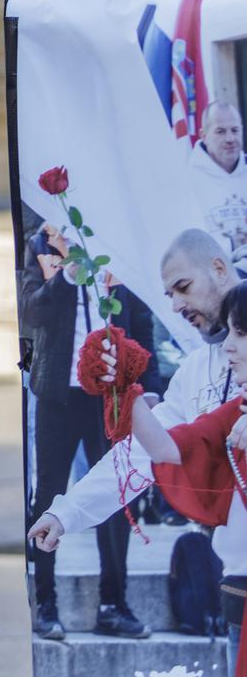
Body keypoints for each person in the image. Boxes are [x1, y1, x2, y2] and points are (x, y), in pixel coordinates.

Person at [29, 229, 245, 653]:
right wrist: (67, 511)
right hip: (237, 582)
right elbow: (147, 451)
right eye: (168, 295)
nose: (177, 305)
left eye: (183, 287)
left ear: (219, 268)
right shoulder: (195, 370)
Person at [19, 221, 155, 640]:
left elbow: (141, 317)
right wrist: (66, 279)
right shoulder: (41, 244)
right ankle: (45, 604)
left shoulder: (117, 239)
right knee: (49, 493)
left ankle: (114, 604)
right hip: (58, 393)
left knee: (118, 490)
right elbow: (30, 312)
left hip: (110, 396)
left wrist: (149, 390)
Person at [109, 281, 247, 676]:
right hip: (238, 596)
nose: (228, 347)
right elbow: (170, 449)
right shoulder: (235, 409)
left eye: (240, 333)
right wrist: (123, 389)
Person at [189, 102, 247, 254]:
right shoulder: (187, 181)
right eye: (220, 131)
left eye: (235, 130)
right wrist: (232, 244)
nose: (230, 138)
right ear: (204, 136)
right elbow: (187, 246)